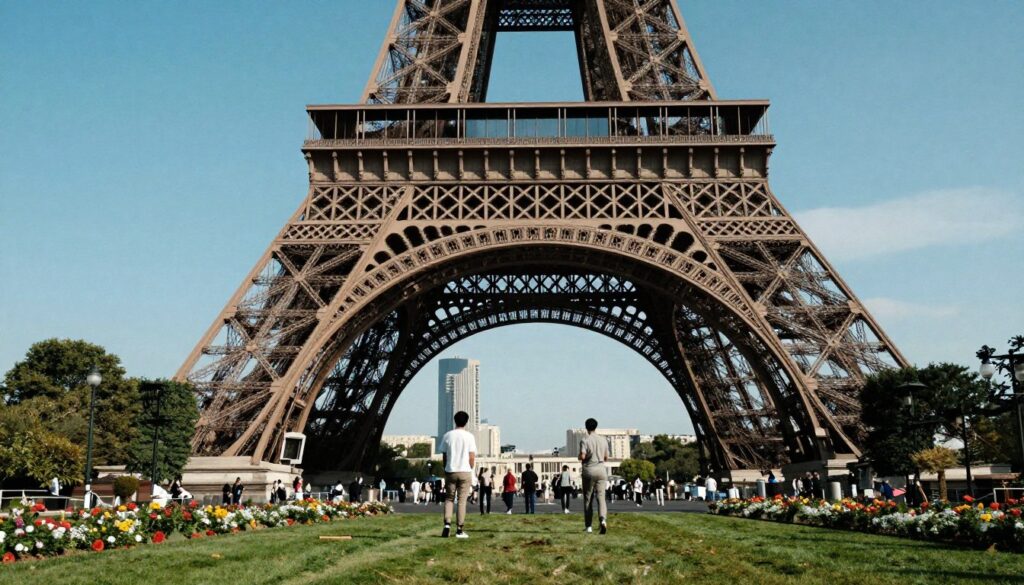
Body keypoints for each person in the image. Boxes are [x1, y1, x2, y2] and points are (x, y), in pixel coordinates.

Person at [440, 410, 477, 538]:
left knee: (449, 498)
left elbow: (444, 455)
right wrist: (470, 467)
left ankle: (447, 524)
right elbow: (471, 456)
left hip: (451, 470)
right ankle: (460, 529)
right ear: (466, 422)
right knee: (462, 501)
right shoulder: (469, 436)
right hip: (465, 470)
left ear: (454, 421)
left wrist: (445, 467)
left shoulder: (447, 435)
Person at [579, 418, 610, 534]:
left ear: (586, 427)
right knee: (601, 497)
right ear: (596, 427)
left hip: (589, 470)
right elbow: (606, 457)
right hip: (601, 470)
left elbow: (583, 456)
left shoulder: (585, 440)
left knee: (588, 498)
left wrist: (579, 457)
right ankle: (602, 519)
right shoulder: (603, 440)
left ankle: (589, 526)